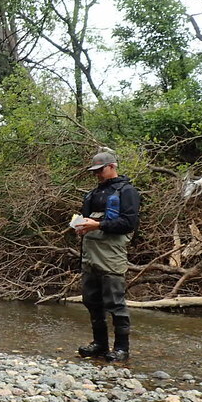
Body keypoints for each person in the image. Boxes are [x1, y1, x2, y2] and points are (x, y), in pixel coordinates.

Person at [73, 151, 140, 362]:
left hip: (111, 255)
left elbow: (129, 224)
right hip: (90, 254)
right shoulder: (92, 194)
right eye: (95, 172)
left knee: (115, 303)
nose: (97, 175)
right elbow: (87, 220)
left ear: (112, 167)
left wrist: (99, 224)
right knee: (91, 300)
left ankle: (122, 348)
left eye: (100, 170)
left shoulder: (127, 191)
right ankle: (99, 345)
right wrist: (81, 228)